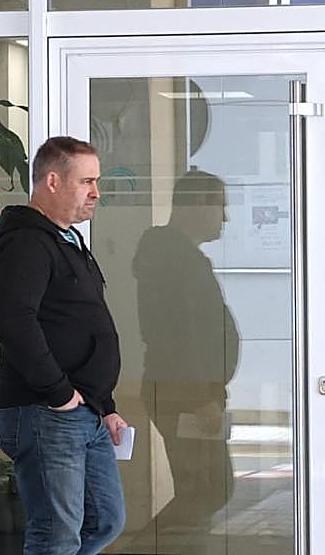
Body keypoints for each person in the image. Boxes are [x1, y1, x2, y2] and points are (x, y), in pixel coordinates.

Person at [0, 136, 127, 555]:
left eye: (96, 181)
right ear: (52, 181)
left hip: (85, 411)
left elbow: (82, 325)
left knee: (104, 520)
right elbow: (16, 323)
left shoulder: (66, 240)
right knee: (56, 535)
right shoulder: (25, 242)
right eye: (86, 181)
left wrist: (105, 405)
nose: (95, 192)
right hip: (46, 411)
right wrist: (59, 393)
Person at [132, 170, 238, 553]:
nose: (225, 217)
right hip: (185, 395)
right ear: (196, 205)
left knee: (206, 489)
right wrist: (200, 397)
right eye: (220, 206)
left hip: (191, 392)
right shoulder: (172, 259)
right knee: (207, 490)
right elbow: (177, 334)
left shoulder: (180, 256)